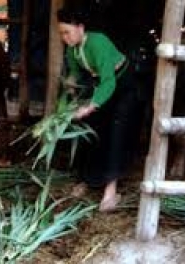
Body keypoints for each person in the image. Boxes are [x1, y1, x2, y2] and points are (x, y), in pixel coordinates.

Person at [57, 7, 143, 212]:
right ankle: (87, 180)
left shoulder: (98, 42)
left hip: (123, 87)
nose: (64, 37)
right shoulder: (73, 49)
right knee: (91, 130)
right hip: (102, 88)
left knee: (116, 132)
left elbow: (109, 81)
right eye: (61, 33)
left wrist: (90, 106)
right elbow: (75, 74)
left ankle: (110, 191)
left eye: (67, 32)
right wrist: (69, 87)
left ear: (80, 28)